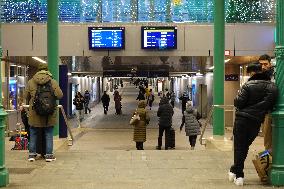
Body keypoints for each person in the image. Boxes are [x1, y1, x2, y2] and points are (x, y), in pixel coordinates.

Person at [228, 63, 277, 186]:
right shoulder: (272, 87)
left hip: (242, 120)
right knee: (245, 146)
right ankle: (235, 170)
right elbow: (269, 105)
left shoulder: (247, 85)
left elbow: (238, 103)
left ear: (252, 73)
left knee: (240, 147)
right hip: (256, 122)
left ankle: (239, 175)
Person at [25, 64, 63, 162]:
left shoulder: (31, 82)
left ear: (38, 70)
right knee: (48, 134)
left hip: (34, 113)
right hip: (49, 114)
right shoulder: (53, 81)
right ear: (47, 70)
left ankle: (32, 155)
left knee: (33, 133)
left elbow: (26, 96)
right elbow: (59, 95)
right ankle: (49, 155)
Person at [258, 54, 274, 153]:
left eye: (265, 64)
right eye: (261, 64)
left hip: (273, 109)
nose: (263, 67)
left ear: (270, 63)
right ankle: (268, 160)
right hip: (267, 111)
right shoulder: (262, 76)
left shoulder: (274, 75)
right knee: (267, 138)